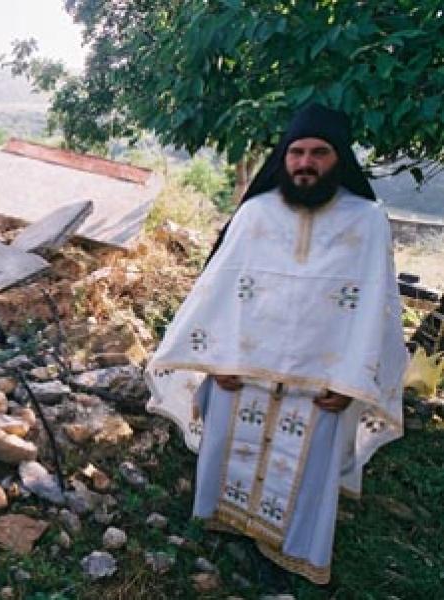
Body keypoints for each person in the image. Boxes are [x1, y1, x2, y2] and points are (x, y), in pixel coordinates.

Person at [145, 103, 407, 584]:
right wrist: (214, 359)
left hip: (320, 383)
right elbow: (218, 289)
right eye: (296, 152)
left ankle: (289, 554)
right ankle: (224, 526)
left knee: (304, 475)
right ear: (283, 158)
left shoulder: (367, 220)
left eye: (319, 153)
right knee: (228, 456)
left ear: (339, 158)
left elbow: (376, 306)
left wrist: (351, 382)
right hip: (242, 373)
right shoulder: (255, 213)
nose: (305, 163)